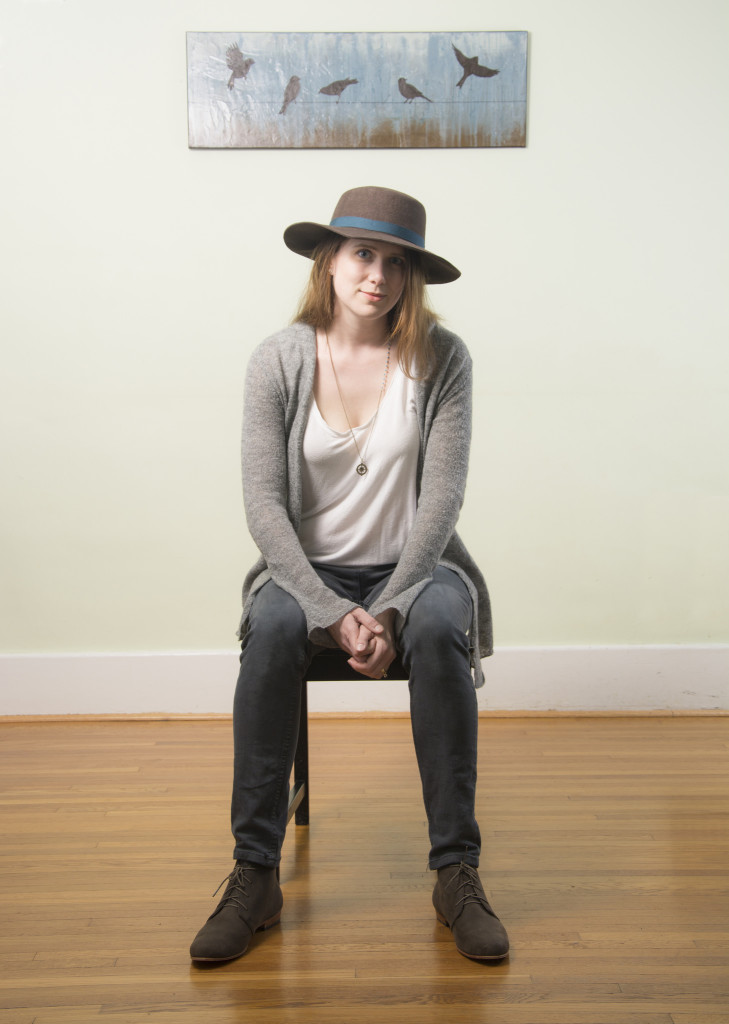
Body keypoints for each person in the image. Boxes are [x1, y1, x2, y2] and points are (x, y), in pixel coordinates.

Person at [189, 186, 509, 964]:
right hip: (307, 570)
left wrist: (393, 605)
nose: (379, 276)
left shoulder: (442, 359)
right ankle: (254, 872)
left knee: (437, 628)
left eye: (397, 262)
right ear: (328, 260)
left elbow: (442, 499)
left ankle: (455, 871)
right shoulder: (279, 357)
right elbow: (263, 504)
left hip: (417, 566)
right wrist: (328, 609)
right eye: (363, 254)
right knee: (268, 628)